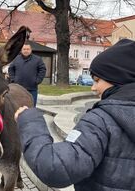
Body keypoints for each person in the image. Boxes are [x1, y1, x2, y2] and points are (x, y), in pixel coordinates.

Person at [14, 39, 135, 191]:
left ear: (119, 78)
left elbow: (55, 167)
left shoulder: (101, 120)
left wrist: (29, 120)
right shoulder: (17, 61)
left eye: (97, 80)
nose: (93, 88)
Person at [8, 40, 46, 106]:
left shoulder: (37, 59)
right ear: (21, 50)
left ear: (31, 50)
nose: (26, 51)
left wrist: (38, 80)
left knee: (31, 106)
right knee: (17, 106)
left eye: (28, 49)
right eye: (24, 49)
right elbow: (11, 69)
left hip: (32, 88)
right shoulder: (16, 59)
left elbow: (42, 69)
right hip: (18, 88)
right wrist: (13, 79)